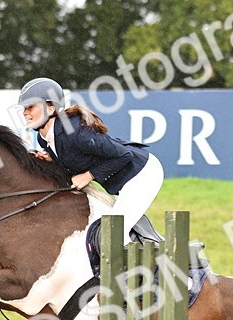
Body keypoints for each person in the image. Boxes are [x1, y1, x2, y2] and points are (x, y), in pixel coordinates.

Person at [18, 77, 163, 243]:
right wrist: (53, 159)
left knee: (114, 234)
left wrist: (89, 175)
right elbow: (75, 159)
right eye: (24, 108)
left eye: (30, 107)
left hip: (144, 174)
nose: (25, 112)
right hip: (125, 179)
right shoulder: (45, 139)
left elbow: (123, 155)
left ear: (51, 109)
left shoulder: (76, 132)